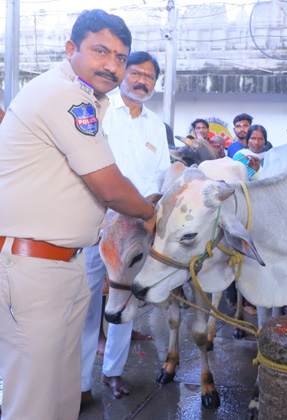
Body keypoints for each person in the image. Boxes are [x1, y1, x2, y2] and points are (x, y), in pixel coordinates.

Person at [0, 9, 158, 420]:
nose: (113, 65)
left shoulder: (90, 100)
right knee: (33, 402)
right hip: (32, 265)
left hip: (65, 263)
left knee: (63, 397)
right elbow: (108, 185)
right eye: (101, 51)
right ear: (71, 49)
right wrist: (150, 214)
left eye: (121, 57)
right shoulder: (65, 96)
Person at [80, 50, 170, 403]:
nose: (142, 80)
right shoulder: (100, 113)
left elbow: (162, 174)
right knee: (87, 305)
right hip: (95, 223)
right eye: (136, 73)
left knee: (124, 305)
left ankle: (112, 373)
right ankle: (82, 383)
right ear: (123, 73)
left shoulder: (155, 126)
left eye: (149, 76)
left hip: (135, 230)